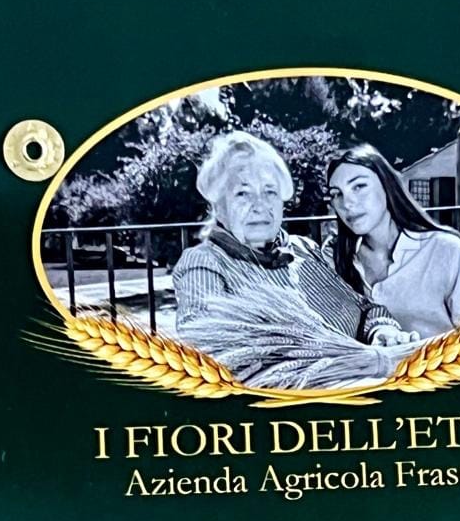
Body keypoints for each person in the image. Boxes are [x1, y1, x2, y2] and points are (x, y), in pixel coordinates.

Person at [170, 131, 412, 390]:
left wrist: (381, 331)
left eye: (270, 192)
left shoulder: (303, 249)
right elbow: (205, 348)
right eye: (242, 194)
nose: (260, 205)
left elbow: (365, 308)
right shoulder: (205, 263)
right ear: (218, 206)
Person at [325, 144, 460, 340]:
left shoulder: (444, 250)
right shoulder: (334, 261)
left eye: (359, 186)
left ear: (386, 185)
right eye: (336, 194)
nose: (347, 203)